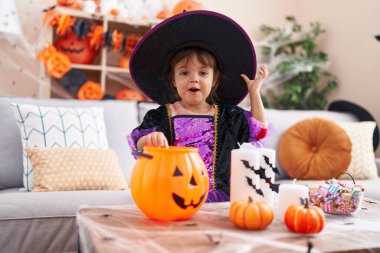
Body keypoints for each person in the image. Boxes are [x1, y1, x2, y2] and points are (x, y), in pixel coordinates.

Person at [128, 10, 269, 202]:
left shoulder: (228, 116)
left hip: (220, 196)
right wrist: (149, 139)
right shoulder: (162, 116)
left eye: (203, 73)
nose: (194, 79)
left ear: (215, 79)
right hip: (175, 194)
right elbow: (139, 142)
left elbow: (258, 131)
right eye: (184, 73)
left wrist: (254, 93)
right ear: (174, 79)